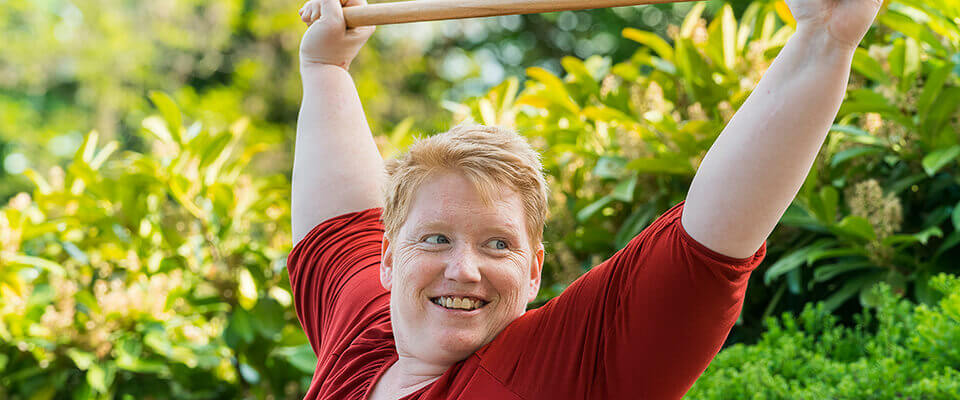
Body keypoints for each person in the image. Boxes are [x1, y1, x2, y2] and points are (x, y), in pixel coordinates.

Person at [288, 0, 882, 398]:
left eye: (498, 244)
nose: (463, 269)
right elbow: (336, 226)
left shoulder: (559, 369)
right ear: (389, 260)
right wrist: (325, 64)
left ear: (534, 272)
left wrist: (824, 40)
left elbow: (704, 247)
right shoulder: (362, 343)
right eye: (437, 238)